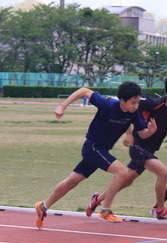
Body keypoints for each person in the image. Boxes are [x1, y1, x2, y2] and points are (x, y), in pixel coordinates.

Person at [35, 82, 155, 228]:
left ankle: (43, 207)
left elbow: (143, 134)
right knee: (122, 172)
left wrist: (151, 131)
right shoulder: (108, 104)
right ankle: (105, 210)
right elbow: (84, 91)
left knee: (71, 182)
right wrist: (62, 106)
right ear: (122, 100)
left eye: (137, 102)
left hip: (102, 150)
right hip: (92, 147)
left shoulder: (133, 113)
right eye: (133, 102)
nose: (136, 106)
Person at [87, 74, 167, 220]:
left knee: (126, 181)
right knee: (163, 173)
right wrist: (129, 134)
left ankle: (98, 198)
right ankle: (159, 209)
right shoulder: (152, 104)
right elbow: (128, 112)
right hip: (139, 145)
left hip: (151, 148)